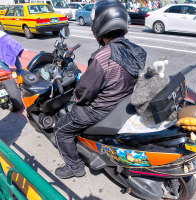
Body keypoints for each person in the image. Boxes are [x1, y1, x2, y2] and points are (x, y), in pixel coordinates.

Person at [54, 0, 147, 179]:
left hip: (99, 110)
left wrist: (76, 96)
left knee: (60, 129)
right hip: (123, 101)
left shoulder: (101, 57)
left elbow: (84, 94)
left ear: (99, 26)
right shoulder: (137, 50)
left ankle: (74, 167)